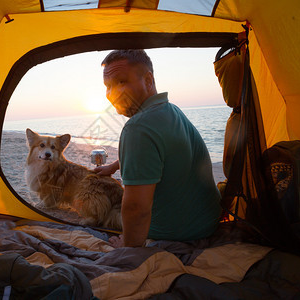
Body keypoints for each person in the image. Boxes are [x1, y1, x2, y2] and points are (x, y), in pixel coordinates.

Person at [95, 49, 222, 248]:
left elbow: (137, 208)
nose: (112, 93)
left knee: (105, 210)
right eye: (108, 86)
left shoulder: (138, 128)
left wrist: (128, 247)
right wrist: (113, 167)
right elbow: (160, 154)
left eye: (121, 82)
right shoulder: (170, 110)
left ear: (148, 80)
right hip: (208, 222)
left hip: (177, 233)